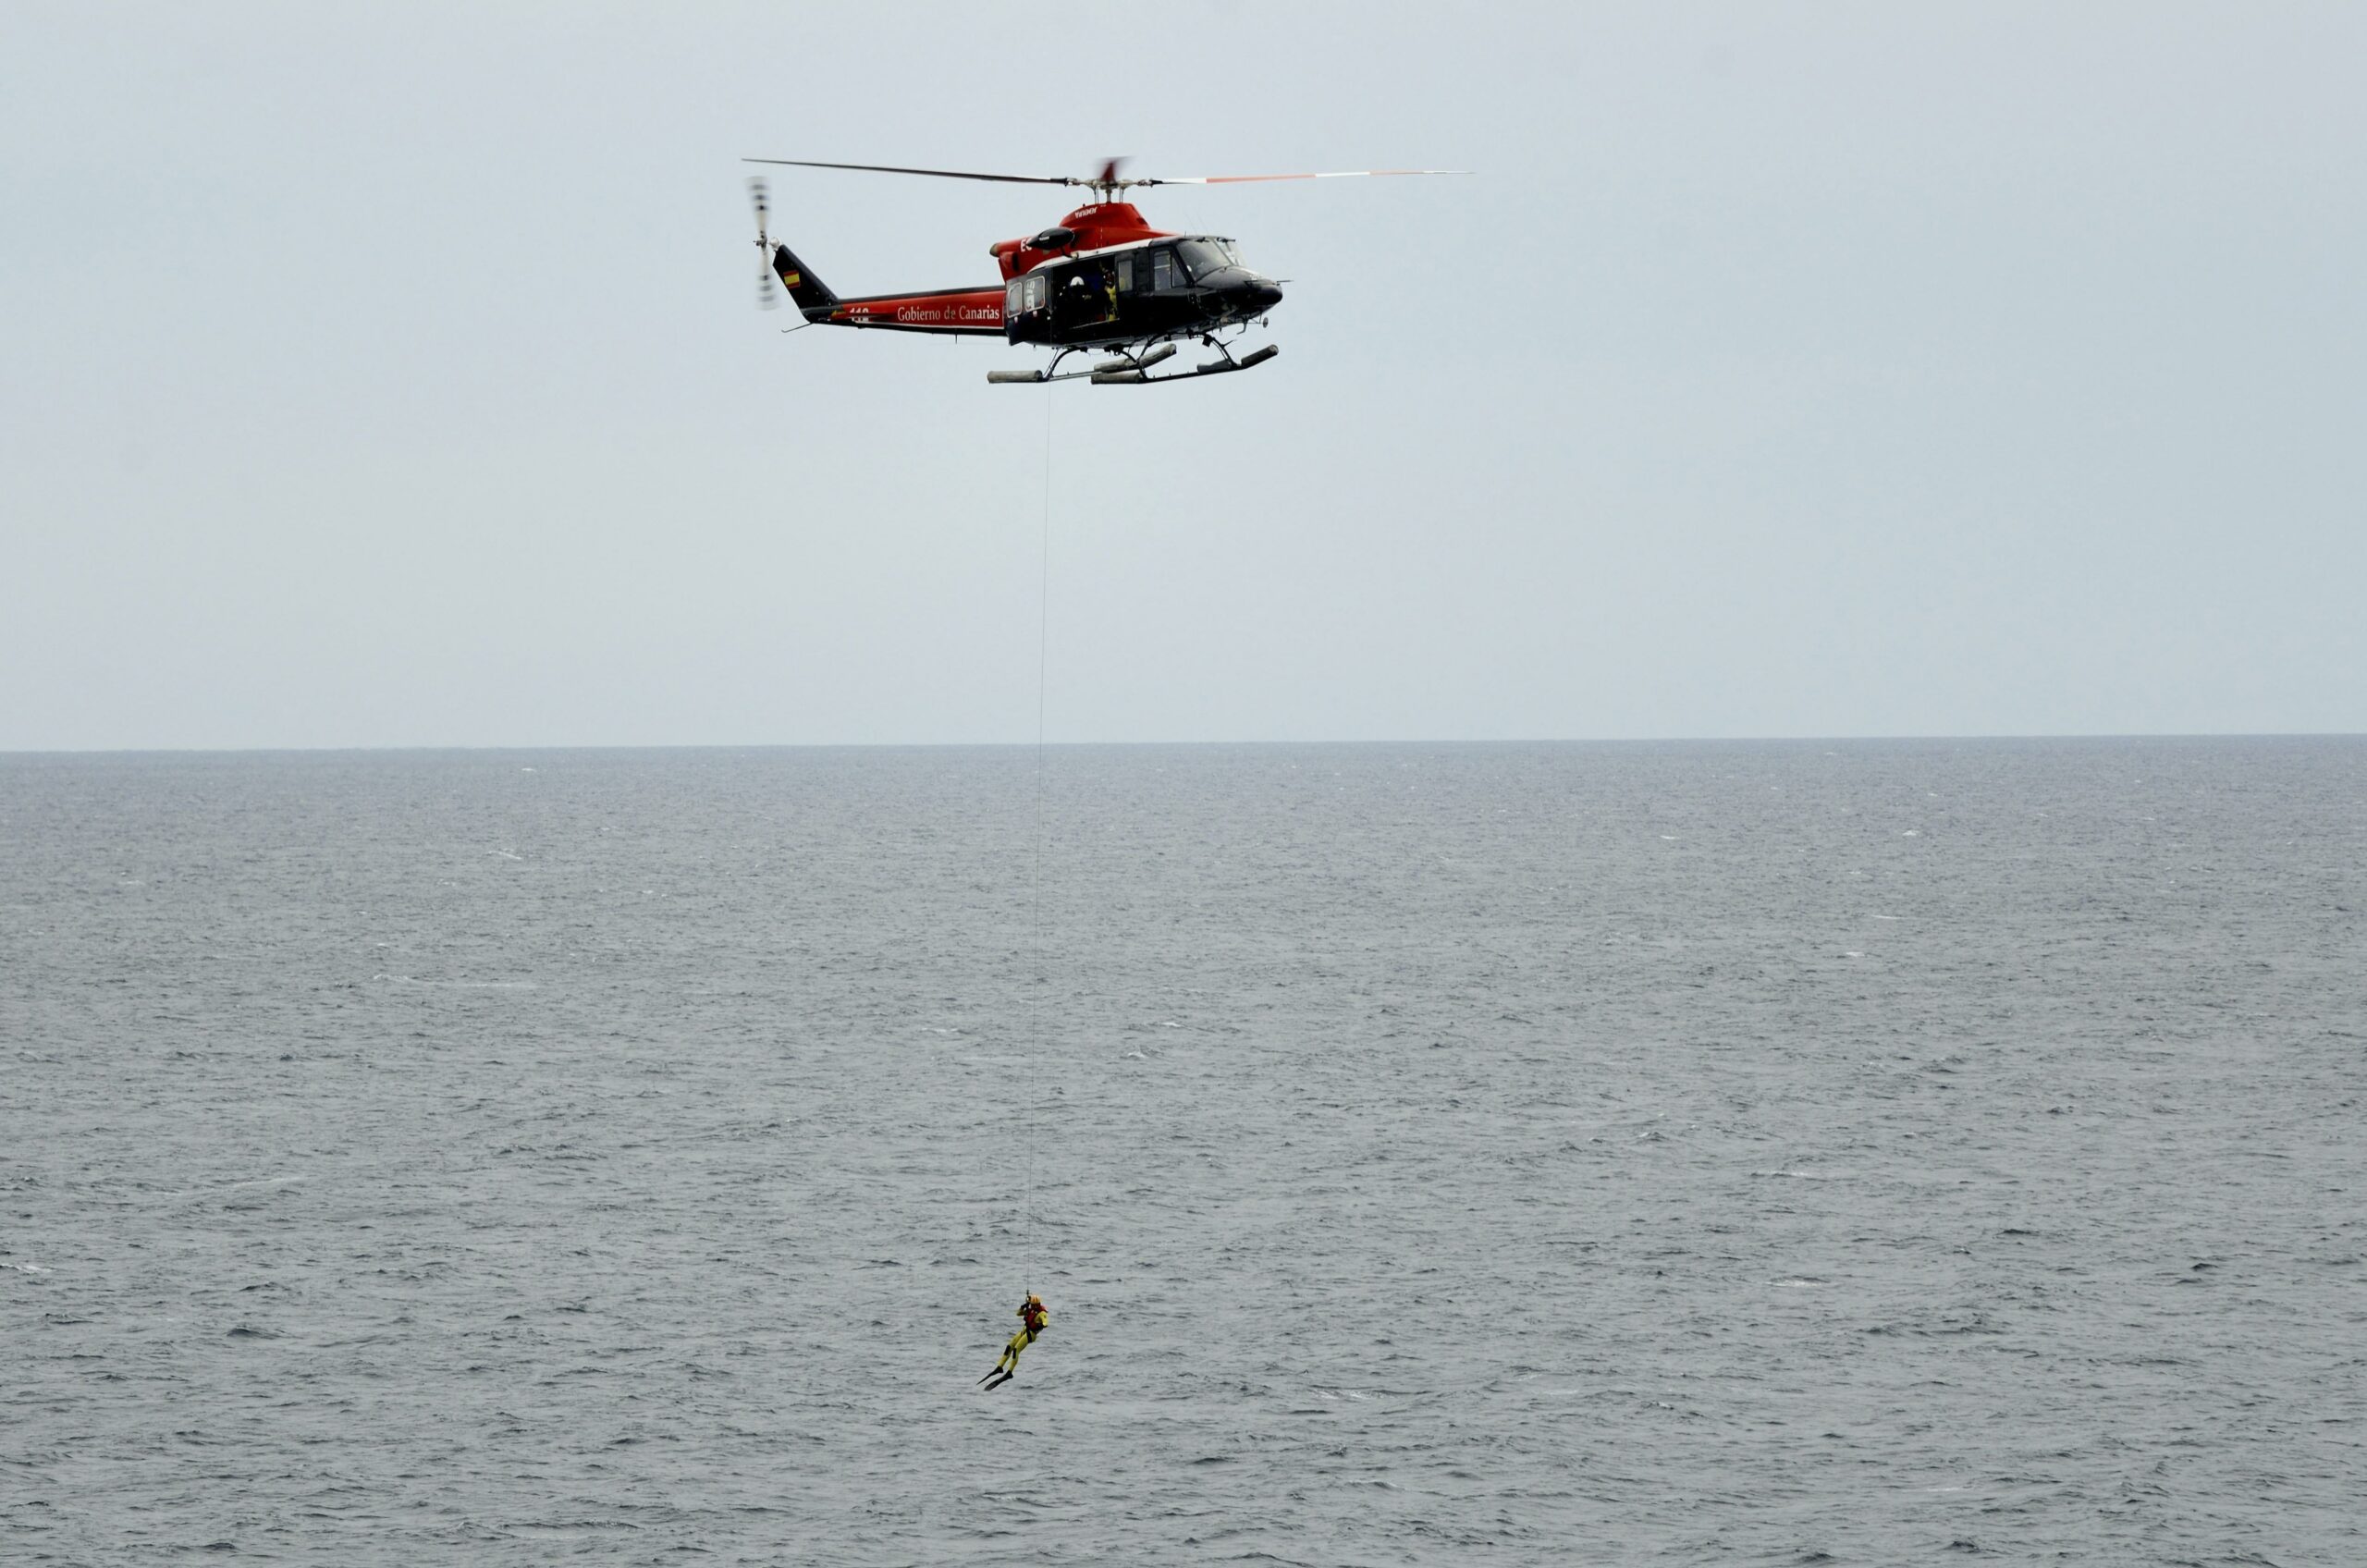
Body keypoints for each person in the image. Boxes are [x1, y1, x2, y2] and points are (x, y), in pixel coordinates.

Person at [979, 1292, 1048, 1390]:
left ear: (1037, 1305)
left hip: (1031, 1335)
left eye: (1033, 1304)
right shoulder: (1031, 1310)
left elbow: (1046, 1323)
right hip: (1024, 1331)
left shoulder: (1042, 1313)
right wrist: (1023, 1306)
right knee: (1009, 1346)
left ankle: (1009, 1373)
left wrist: (1041, 1325)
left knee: (1016, 1350)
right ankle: (1000, 1367)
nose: (1031, 1306)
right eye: (1031, 1304)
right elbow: (1018, 1313)